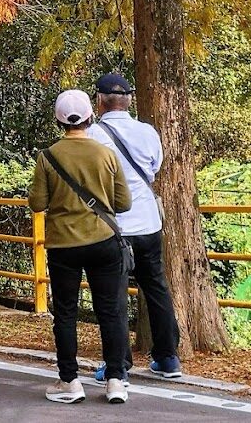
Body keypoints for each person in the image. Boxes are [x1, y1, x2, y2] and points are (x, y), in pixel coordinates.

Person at [28, 89, 132, 405]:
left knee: (66, 314)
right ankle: (116, 380)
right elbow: (123, 203)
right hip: (103, 241)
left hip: (64, 246)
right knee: (110, 311)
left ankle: (70, 381)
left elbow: (37, 203)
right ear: (90, 117)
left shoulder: (48, 157)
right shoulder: (106, 154)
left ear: (59, 121)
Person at [87, 71, 183, 381]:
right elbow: (154, 169)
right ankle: (168, 358)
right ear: (128, 101)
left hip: (113, 228)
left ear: (99, 101)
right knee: (156, 287)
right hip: (148, 223)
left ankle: (118, 365)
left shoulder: (92, 135)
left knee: (113, 296)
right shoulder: (148, 131)